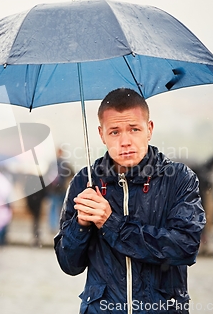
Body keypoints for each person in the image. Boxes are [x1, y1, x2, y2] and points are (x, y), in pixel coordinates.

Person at [54, 88, 205, 314]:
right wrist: (80, 226)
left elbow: (185, 247)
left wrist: (110, 222)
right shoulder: (85, 182)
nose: (125, 141)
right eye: (114, 132)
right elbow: (69, 264)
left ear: (149, 129)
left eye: (134, 129)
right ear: (101, 134)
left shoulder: (179, 179)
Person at [46, 147, 73, 233]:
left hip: (54, 189)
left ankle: (53, 225)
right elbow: (72, 173)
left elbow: (47, 176)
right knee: (61, 207)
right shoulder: (65, 163)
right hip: (61, 189)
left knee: (54, 207)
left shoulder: (52, 163)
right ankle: (59, 225)